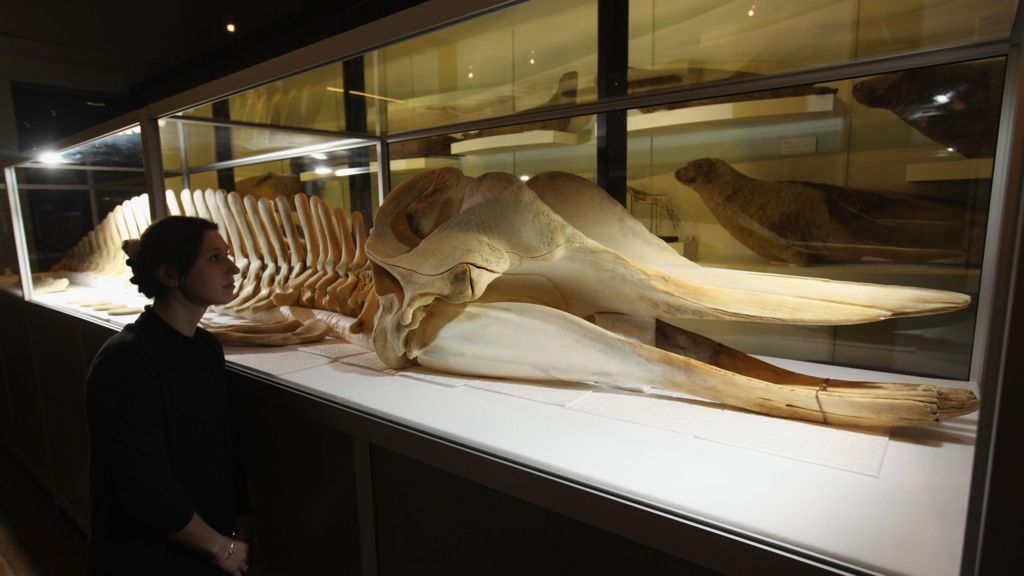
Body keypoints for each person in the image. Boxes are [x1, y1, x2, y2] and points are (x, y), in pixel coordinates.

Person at [85, 216, 253, 575]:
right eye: (214, 259)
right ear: (169, 275)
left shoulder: (206, 347)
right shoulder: (126, 362)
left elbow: (220, 447)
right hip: (152, 560)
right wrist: (220, 546)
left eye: (228, 255)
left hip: (206, 550)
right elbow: (143, 485)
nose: (233, 268)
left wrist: (236, 526)